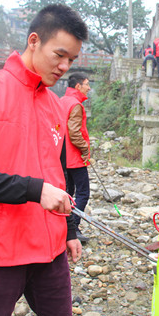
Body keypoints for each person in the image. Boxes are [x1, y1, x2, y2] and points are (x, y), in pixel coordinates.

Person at [0, 4, 88, 316]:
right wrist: (35, 190)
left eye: (71, 59)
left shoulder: (54, 104)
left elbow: (57, 174)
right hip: (0, 248)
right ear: (33, 41)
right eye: (59, 55)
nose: (64, 66)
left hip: (50, 246)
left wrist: (70, 228)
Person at [61, 72, 92, 244]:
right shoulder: (75, 105)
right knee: (82, 193)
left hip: (62, 157)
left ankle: (65, 226)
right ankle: (73, 227)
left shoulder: (62, 101)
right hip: (74, 157)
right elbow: (74, 132)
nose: (89, 88)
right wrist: (84, 148)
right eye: (87, 84)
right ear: (78, 86)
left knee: (68, 192)